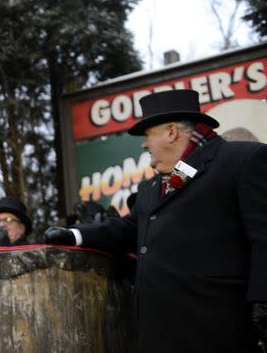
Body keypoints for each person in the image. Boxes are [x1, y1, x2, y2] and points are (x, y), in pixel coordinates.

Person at [45, 89, 267, 352]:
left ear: (171, 132)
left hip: (219, 330)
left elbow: (263, 235)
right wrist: (74, 235)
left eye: (147, 135)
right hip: (159, 334)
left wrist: (263, 299)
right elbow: (130, 228)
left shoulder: (242, 160)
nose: (143, 144)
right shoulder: (156, 186)